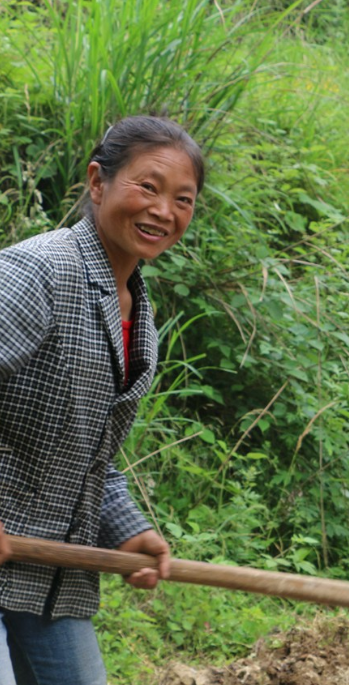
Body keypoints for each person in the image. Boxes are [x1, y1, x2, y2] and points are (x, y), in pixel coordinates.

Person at [0, 115, 203, 684]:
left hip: (44, 572)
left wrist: (126, 529)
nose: (163, 210)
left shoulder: (140, 321)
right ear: (97, 182)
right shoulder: (38, 270)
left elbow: (91, 453)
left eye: (182, 199)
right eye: (148, 187)